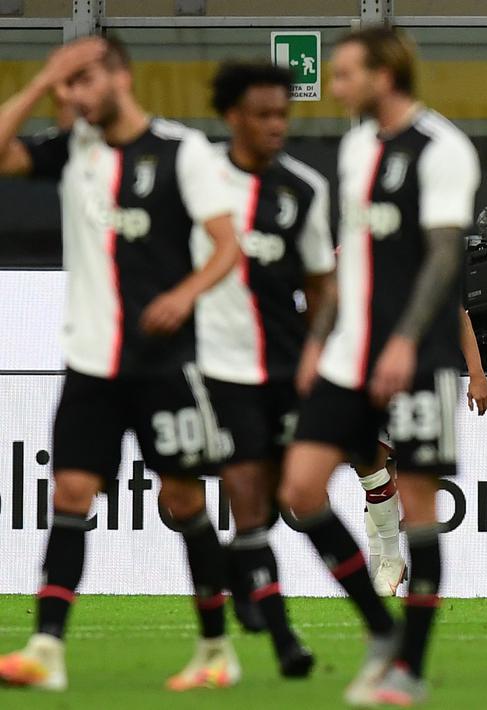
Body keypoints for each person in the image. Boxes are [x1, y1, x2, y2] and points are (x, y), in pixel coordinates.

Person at [0, 37, 243, 690]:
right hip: (90, 366)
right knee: (71, 496)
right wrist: (38, 83)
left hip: (164, 366)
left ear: (121, 79)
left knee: (184, 499)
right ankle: (46, 649)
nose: (72, 95)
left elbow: (227, 246)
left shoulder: (181, 152)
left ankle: (216, 651)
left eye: (82, 82)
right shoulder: (72, 151)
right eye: (65, 86)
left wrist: (184, 294)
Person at [284, 27, 479, 706]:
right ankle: (378, 629)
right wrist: (319, 339)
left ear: (383, 74)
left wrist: (404, 339)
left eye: (343, 75)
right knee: (301, 488)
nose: (334, 88)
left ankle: (409, 670)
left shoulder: (443, 147)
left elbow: (443, 255)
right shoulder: (356, 145)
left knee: (419, 506)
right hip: (347, 351)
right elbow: (354, 259)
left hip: (418, 354)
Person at [195, 60, 331, 673]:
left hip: (283, 368)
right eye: (264, 114)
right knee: (247, 498)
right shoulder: (194, 182)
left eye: (284, 113)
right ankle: (282, 640)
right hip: (218, 369)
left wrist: (315, 352)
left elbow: (319, 288)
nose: (278, 125)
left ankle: (235, 569)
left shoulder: (301, 189)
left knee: (278, 502)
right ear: (233, 117)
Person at [362, 307, 487, 598]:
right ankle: (388, 559)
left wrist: (476, 373)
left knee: (413, 484)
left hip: (422, 371)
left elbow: (457, 311)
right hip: (372, 367)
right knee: (367, 462)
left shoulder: (425, 263)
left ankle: (399, 570)